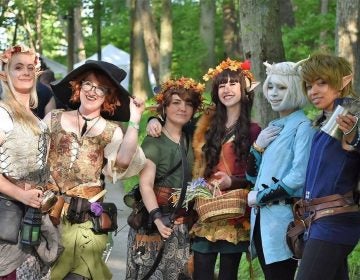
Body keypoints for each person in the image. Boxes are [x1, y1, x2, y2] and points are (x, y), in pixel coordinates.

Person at [44, 60, 146, 280]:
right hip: (46, 217)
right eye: (88, 84)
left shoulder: (111, 131)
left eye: (101, 88)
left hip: (85, 221)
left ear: (108, 96)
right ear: (78, 87)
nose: (92, 91)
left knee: (79, 275)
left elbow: (124, 161)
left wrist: (135, 119)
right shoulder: (53, 119)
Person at [126, 77, 204, 280]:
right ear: (165, 107)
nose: (183, 108)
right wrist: (158, 218)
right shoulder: (154, 141)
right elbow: (146, 185)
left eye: (188, 104)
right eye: (176, 103)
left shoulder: (193, 138)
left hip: (184, 226)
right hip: (155, 224)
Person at [191, 58, 260, 280]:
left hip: (234, 213)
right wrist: (154, 119)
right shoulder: (206, 127)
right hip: (206, 210)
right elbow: (173, 122)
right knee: (201, 273)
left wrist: (234, 182)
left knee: (228, 275)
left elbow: (259, 175)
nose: (226, 89)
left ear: (244, 89)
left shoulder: (254, 130)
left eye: (232, 83)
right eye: (221, 85)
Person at [246, 61, 315, 280]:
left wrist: (260, 196)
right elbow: (252, 177)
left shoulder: (304, 127)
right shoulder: (273, 126)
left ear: (295, 88)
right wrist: (257, 147)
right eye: (271, 87)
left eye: (282, 88)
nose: (274, 93)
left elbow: (298, 177)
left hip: (284, 221)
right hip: (262, 221)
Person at [295, 53, 360, 280]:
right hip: (317, 221)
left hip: (336, 221)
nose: (313, 90)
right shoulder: (322, 124)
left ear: (343, 82)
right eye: (309, 85)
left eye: (321, 82)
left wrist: (354, 137)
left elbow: (355, 142)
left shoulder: (352, 116)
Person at [0, 45, 50, 279]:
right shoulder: (3, 113)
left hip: (32, 216)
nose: (25, 72)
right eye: (18, 67)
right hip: (7, 216)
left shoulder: (35, 117)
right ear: (5, 73)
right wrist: (20, 194)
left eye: (30, 68)